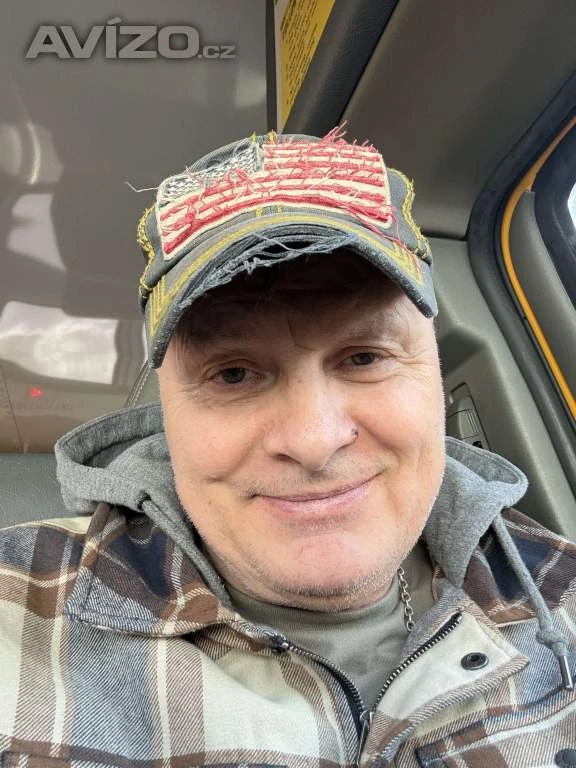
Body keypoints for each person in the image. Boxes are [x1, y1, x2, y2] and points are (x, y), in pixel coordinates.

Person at [1, 129, 575, 768]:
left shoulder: (562, 593)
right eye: (233, 374)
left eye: (364, 357)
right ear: (164, 410)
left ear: (436, 371)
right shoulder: (14, 616)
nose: (313, 441)